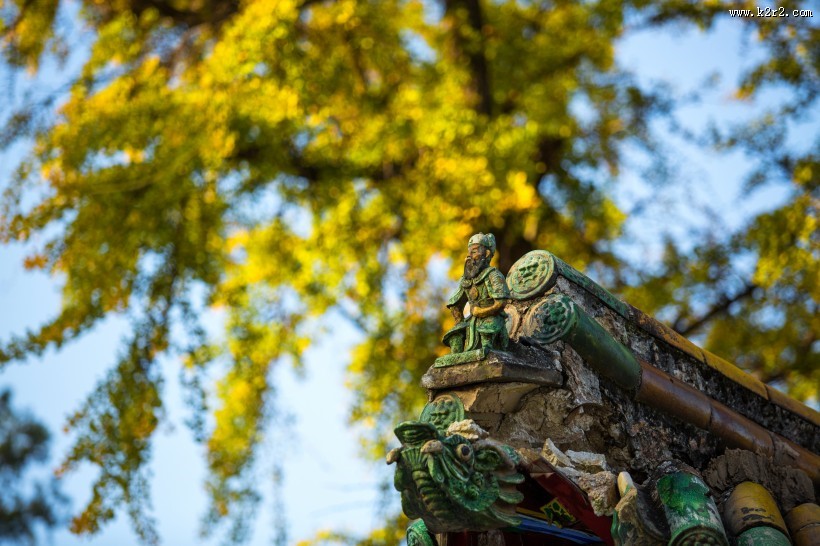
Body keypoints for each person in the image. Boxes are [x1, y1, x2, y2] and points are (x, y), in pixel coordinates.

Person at [443, 233, 510, 354]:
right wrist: (459, 322)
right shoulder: (466, 280)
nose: (469, 256)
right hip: (471, 321)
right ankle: (457, 356)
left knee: (486, 333)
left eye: (474, 252)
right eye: (469, 252)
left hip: (492, 318)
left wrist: (482, 312)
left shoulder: (493, 275)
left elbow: (501, 302)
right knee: (455, 335)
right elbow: (455, 303)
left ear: (487, 254)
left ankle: (487, 349)